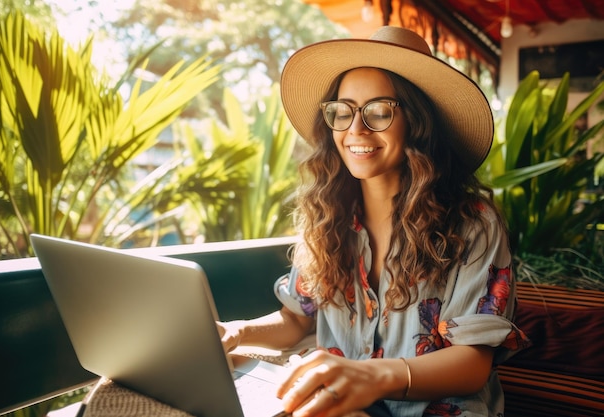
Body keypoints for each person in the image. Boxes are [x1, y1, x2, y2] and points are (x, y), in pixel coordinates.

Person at [218, 26, 530, 417]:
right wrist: (236, 332)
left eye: (379, 111)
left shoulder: (473, 224)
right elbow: (296, 319)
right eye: (342, 111)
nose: (355, 129)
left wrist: (369, 376)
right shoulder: (326, 216)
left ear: (418, 123)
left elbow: (471, 364)